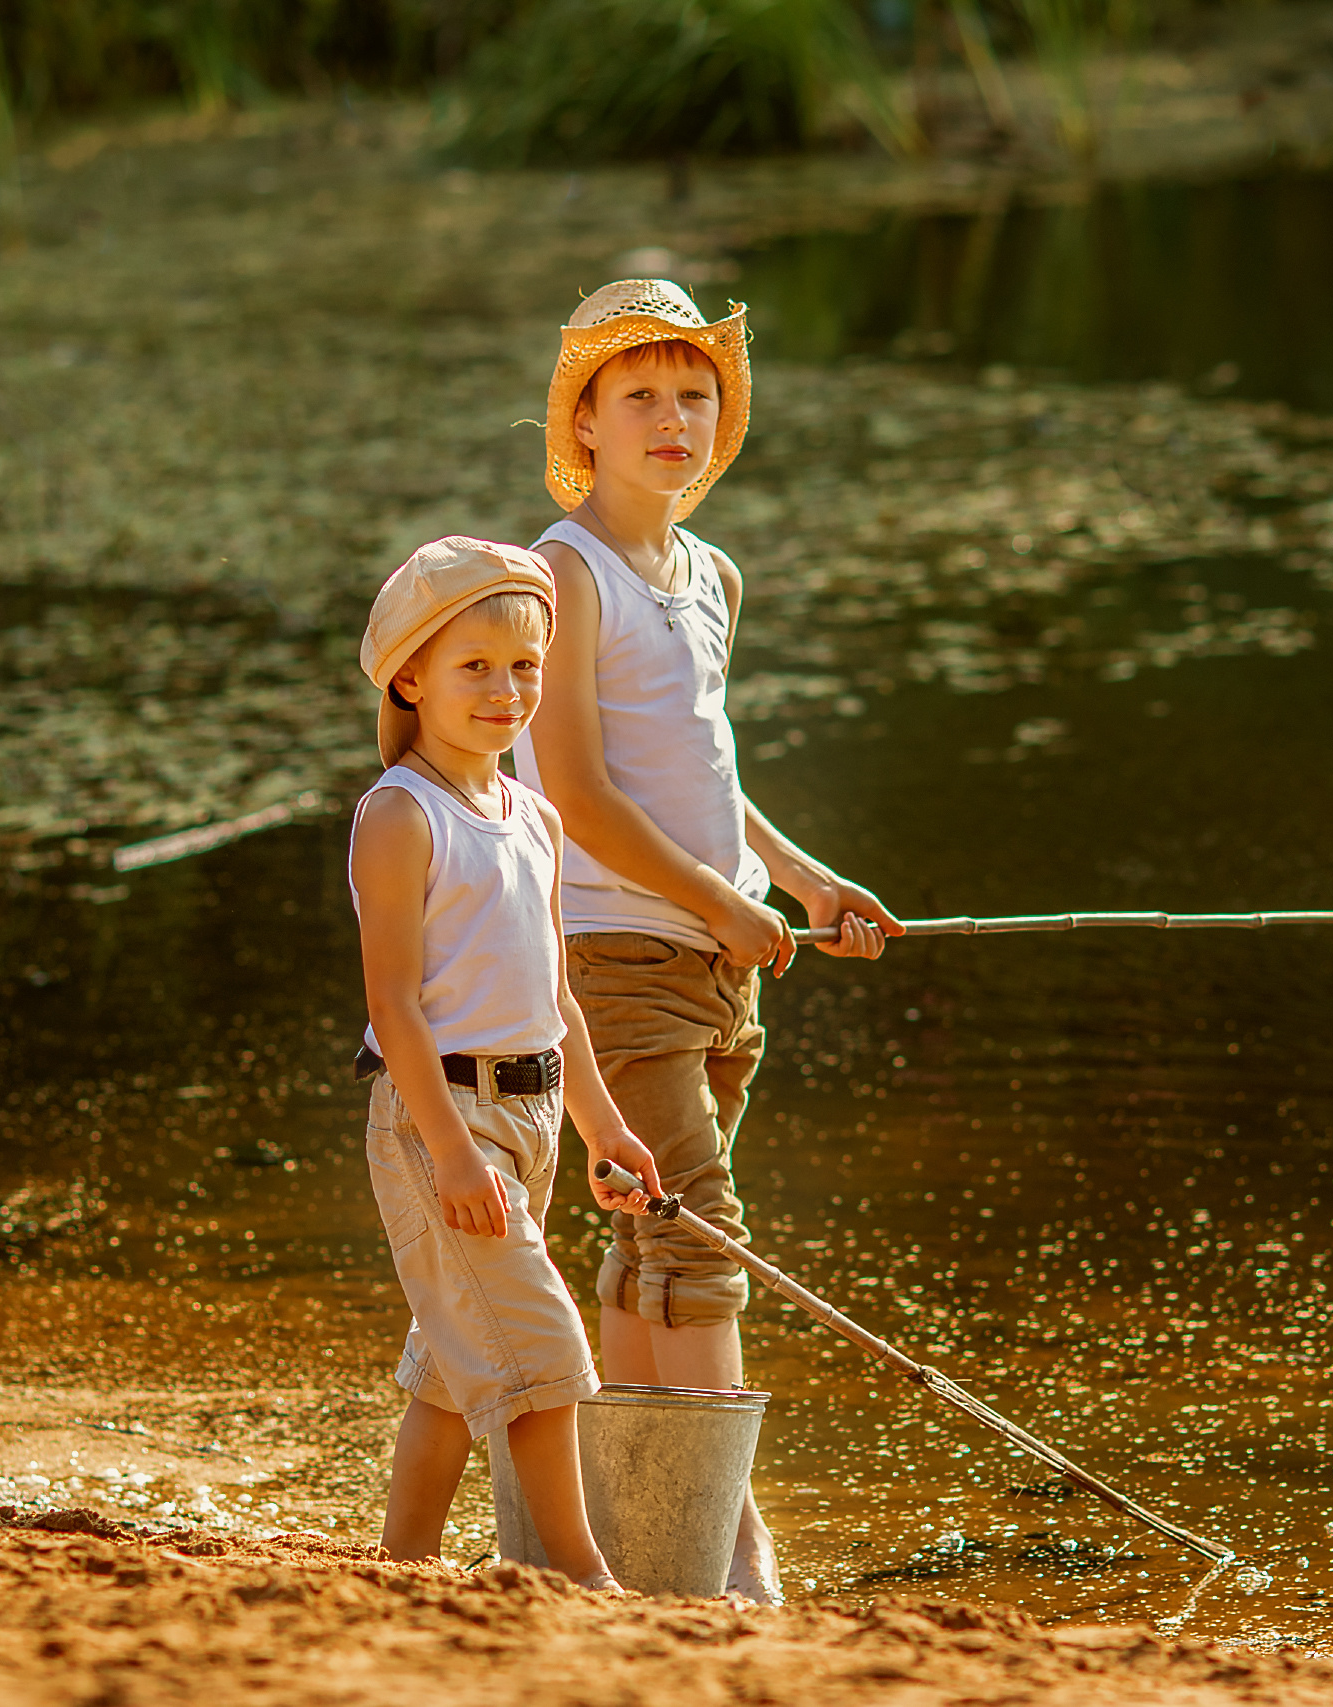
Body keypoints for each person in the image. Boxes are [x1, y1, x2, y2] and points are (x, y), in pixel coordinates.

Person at [513, 280, 904, 1604]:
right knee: (705, 1230)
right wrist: (720, 902)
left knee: (645, 1231)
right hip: (616, 950)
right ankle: (733, 1545)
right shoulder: (562, 573)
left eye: (694, 395)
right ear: (587, 420)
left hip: (719, 957)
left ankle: (641, 1530)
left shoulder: (710, 573)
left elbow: (699, 766)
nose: (673, 418)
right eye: (642, 397)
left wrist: (797, 878)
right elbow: (574, 787)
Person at [350, 534, 666, 1590]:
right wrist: (446, 1152)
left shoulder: (533, 816)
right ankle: (580, 1574)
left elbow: (556, 1000)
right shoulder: (401, 815)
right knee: (539, 1349)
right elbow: (391, 1005)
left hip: (528, 1117)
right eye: (473, 666)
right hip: (440, 1114)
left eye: (524, 666)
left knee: (452, 1365)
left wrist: (603, 1128)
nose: (504, 689)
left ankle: (403, 1565)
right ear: (411, 677)